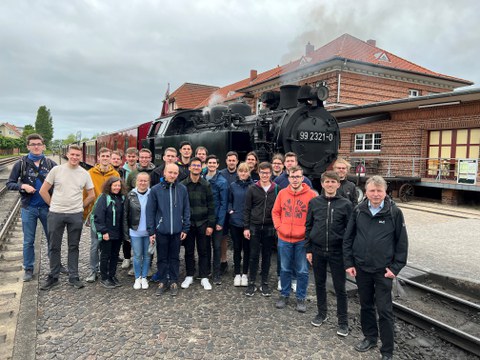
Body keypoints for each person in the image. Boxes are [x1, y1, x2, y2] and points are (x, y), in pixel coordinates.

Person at [343, 175, 408, 360]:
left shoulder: (394, 213)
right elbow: (348, 238)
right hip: (362, 269)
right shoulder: (359, 210)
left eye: (379, 190)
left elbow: (402, 243)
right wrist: (349, 262)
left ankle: (387, 350)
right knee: (366, 306)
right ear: (367, 192)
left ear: (385, 192)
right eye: (372, 190)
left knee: (385, 310)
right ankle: (370, 337)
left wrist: (395, 268)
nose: (376, 194)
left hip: (383, 271)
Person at [39, 144, 95, 290]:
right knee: (54, 245)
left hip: (75, 214)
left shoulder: (84, 173)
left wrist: (80, 206)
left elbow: (91, 195)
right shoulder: (56, 170)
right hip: (56, 213)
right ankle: (53, 275)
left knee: (74, 246)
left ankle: (73, 276)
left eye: (78, 155)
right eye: (73, 154)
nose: (75, 157)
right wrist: (52, 205)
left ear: (81, 157)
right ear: (68, 155)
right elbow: (43, 191)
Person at [305, 171, 353, 336]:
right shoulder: (314, 203)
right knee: (319, 284)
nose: (330, 184)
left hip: (337, 252)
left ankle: (343, 321)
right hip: (318, 250)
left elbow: (350, 232)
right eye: (327, 182)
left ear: (338, 184)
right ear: (322, 184)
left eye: (334, 182)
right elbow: (309, 226)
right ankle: (321, 313)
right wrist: (309, 249)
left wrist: (349, 255)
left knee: (340, 287)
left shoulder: (346, 205)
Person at [6, 133, 59, 282]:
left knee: (52, 239)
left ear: (43, 146)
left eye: (39, 144)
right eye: (33, 144)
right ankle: (28, 268)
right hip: (29, 208)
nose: (36, 146)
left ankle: (55, 266)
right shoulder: (21, 164)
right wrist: (22, 186)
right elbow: (9, 184)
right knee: (28, 241)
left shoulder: (50, 164)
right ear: (28, 146)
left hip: (47, 208)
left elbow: (60, 183)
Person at [272, 166, 316, 312]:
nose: (295, 179)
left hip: (302, 239)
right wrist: (279, 227)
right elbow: (276, 212)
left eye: (297, 177)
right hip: (284, 238)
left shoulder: (311, 195)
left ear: (302, 178)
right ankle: (284, 294)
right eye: (292, 177)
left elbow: (315, 217)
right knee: (284, 268)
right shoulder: (283, 193)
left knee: (302, 270)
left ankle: (301, 297)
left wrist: (308, 233)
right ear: (288, 177)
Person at [147, 163, 190, 296]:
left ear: (178, 174)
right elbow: (150, 211)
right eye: (170, 172)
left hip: (177, 230)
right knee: (162, 257)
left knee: (174, 257)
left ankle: (173, 280)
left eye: (175, 173)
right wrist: (151, 231)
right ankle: (162, 280)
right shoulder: (155, 190)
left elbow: (186, 209)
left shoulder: (182, 189)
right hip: (162, 230)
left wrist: (185, 227)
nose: (172, 175)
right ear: (164, 173)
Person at [83, 147, 120, 283]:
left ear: (111, 158)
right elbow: (85, 194)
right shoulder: (90, 173)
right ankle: (93, 270)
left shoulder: (115, 173)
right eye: (103, 156)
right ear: (98, 158)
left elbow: (118, 192)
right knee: (95, 244)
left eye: (107, 156)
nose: (105, 158)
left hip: (111, 215)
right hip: (95, 214)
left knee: (107, 244)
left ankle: (107, 270)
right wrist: (85, 214)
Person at [243, 162, 278, 297]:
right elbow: (247, 209)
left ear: (271, 174)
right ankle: (251, 282)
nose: (265, 175)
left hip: (269, 226)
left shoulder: (276, 189)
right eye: (262, 173)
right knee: (253, 255)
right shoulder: (252, 189)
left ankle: (264, 282)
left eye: (267, 173)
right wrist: (246, 227)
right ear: (259, 173)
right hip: (255, 226)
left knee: (267, 256)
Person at [181, 157, 216, 291]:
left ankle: (204, 276)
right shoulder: (183, 185)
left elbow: (211, 206)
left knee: (204, 250)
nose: (196, 167)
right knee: (189, 251)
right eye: (194, 165)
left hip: (203, 223)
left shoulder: (206, 185)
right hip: (188, 224)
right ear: (189, 167)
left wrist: (210, 225)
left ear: (201, 168)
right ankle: (189, 275)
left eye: (198, 165)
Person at [93, 176, 126, 289]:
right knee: (105, 255)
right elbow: (98, 216)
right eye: (115, 185)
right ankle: (104, 277)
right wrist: (103, 231)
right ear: (109, 186)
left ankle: (112, 275)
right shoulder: (104, 197)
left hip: (118, 233)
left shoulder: (121, 198)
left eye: (119, 185)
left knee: (115, 256)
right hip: (107, 233)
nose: (117, 187)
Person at [202, 155, 228, 285]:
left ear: (217, 165)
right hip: (204, 219)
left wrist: (220, 222)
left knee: (216, 247)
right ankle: (206, 271)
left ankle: (216, 273)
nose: (212, 165)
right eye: (209, 162)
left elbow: (224, 203)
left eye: (214, 163)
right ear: (206, 164)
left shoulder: (222, 182)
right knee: (205, 247)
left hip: (217, 219)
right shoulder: (201, 178)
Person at [124, 172, 152, 290]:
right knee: (137, 255)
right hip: (135, 231)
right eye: (140, 180)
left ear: (148, 182)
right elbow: (125, 215)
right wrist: (126, 233)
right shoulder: (130, 195)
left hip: (148, 232)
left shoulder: (152, 194)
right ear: (136, 181)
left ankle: (144, 277)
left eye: (145, 180)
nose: (143, 183)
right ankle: (137, 277)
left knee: (147, 255)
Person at [228, 162, 253, 287]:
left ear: (249, 172)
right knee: (237, 248)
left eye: (246, 171)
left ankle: (245, 273)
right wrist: (230, 210)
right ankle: (237, 273)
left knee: (247, 249)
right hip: (235, 221)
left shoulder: (253, 186)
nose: (243, 173)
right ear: (238, 172)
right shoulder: (233, 185)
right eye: (241, 171)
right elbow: (229, 201)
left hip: (248, 222)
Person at [219, 151, 239, 274]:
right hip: (224, 210)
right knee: (223, 237)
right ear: (226, 161)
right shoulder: (220, 174)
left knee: (238, 239)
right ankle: (223, 261)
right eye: (229, 160)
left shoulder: (241, 173)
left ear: (237, 161)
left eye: (233, 160)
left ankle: (238, 262)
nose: (231, 162)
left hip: (237, 211)